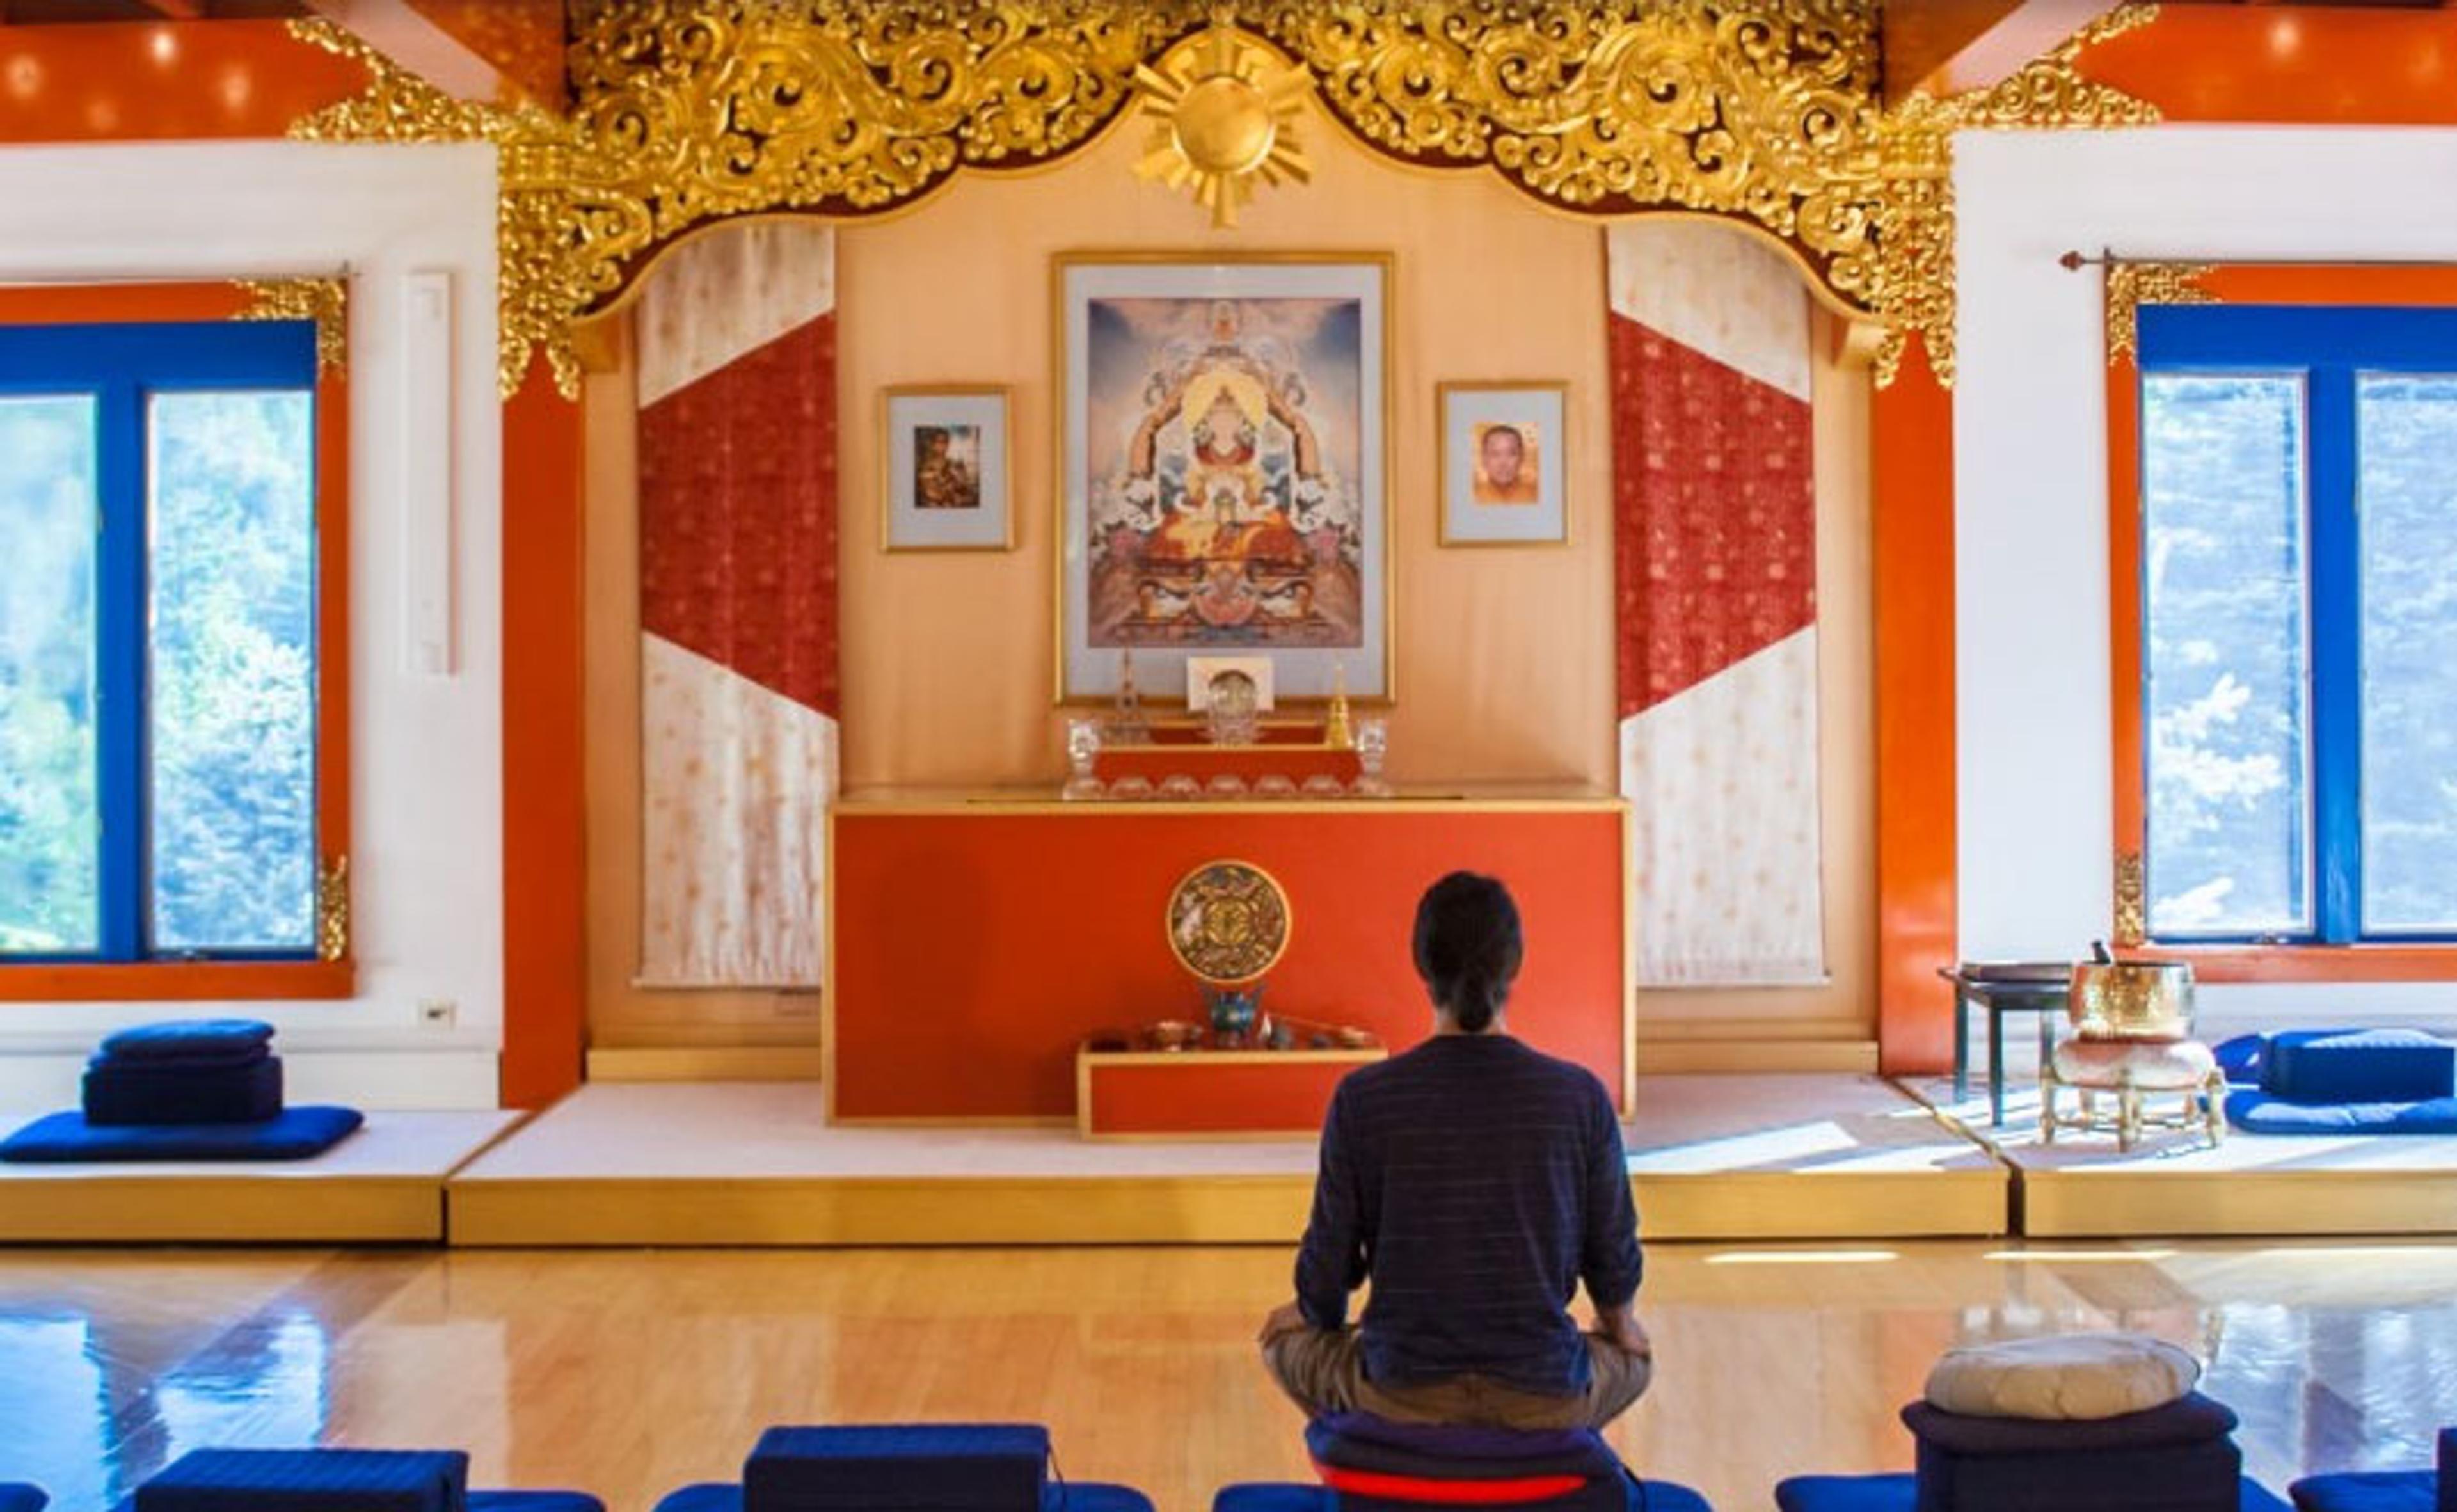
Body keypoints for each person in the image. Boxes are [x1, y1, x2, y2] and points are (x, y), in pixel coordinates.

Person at [1259, 872, 1651, 1430]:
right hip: (1544, 1393)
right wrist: (1620, 1322)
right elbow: (1613, 1266)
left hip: (1399, 1392)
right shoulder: (1579, 1096)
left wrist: (1302, 1314)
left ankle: (1379, 1458)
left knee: (1283, 1341)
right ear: (1514, 965)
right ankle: (1540, 1463)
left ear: (1423, 966)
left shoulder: (1364, 1099)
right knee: (1635, 1355)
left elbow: (1326, 1282)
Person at [1472, 423, 1540, 505]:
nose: (1503, 463)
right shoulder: (1473, 496)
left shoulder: (1536, 494)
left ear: (1522, 458)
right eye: (1495, 454)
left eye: (1511, 454)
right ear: (1484, 459)